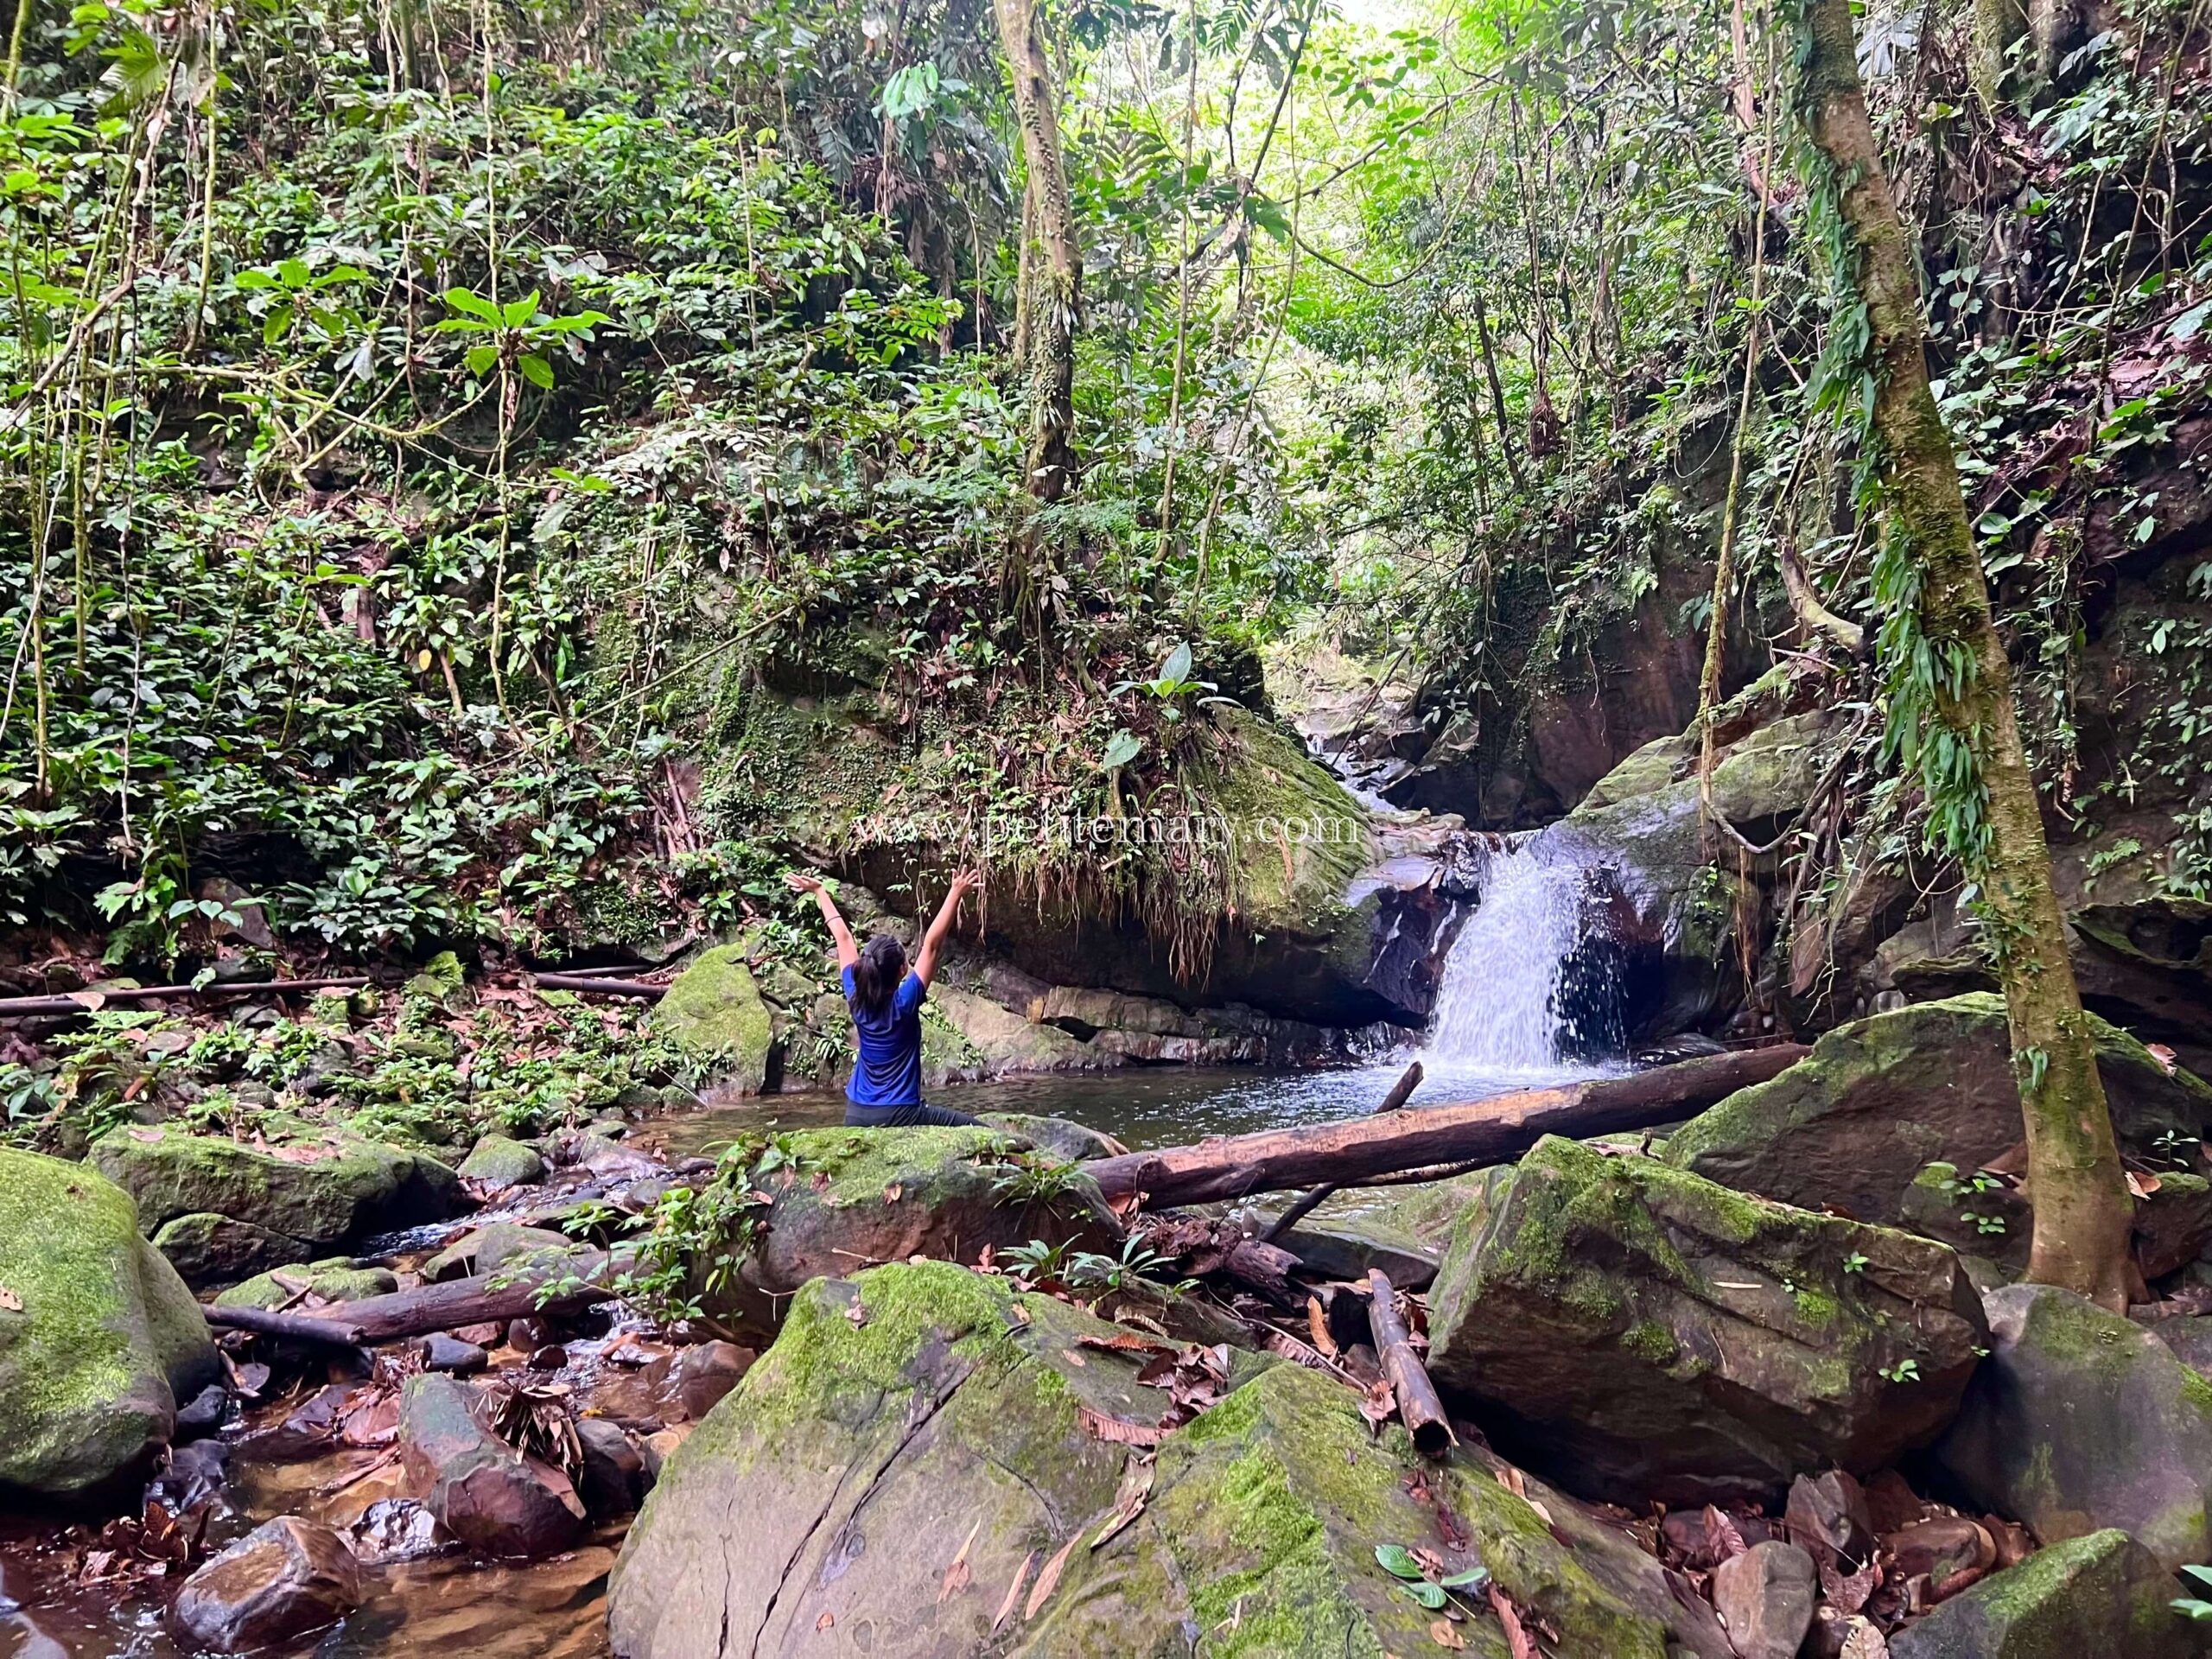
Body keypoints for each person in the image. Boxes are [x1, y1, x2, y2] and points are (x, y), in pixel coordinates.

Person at [785, 868, 983, 1128]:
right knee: (980, 1132)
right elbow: (933, 944)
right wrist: (955, 892)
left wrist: (819, 891)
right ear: (903, 970)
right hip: (900, 1113)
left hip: (856, 1113)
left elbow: (843, 939)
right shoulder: (905, 1003)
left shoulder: (856, 996)